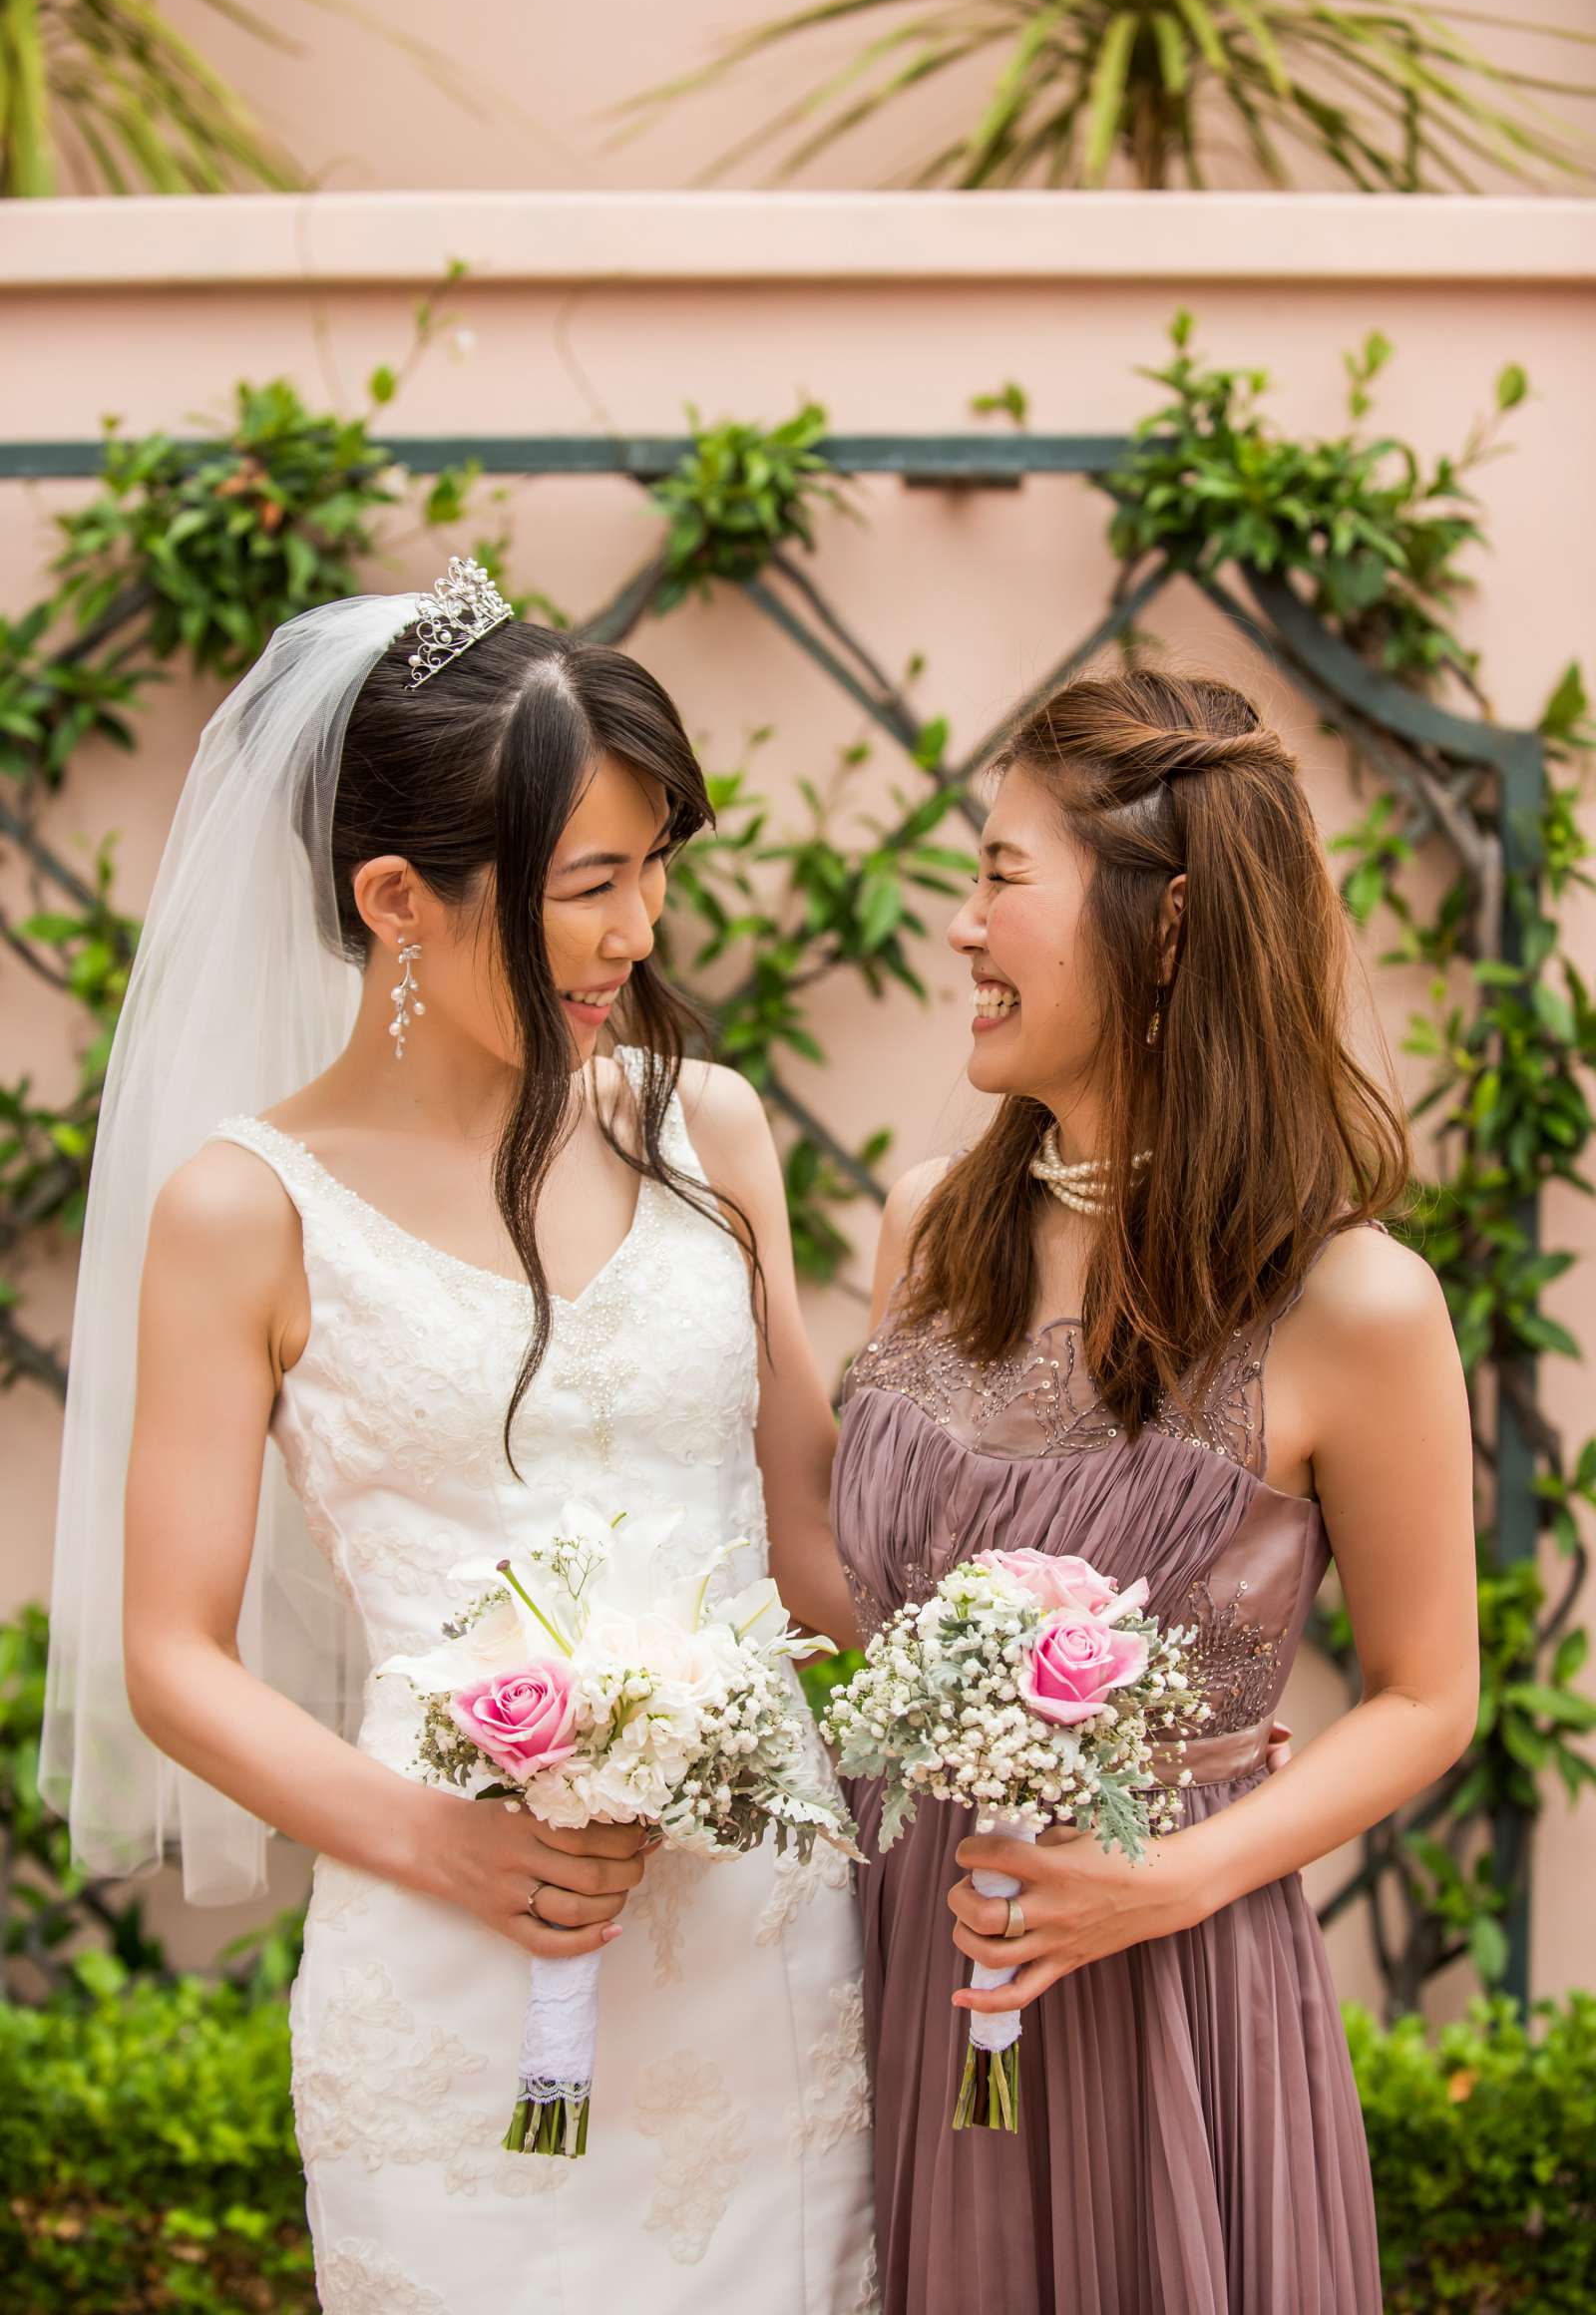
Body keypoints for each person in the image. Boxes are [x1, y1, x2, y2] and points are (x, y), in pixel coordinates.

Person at [42, 562, 874, 2314]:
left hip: (756, 1939)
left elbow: (814, 1540)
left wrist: (1015, 1709)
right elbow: (171, 1654)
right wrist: (446, 1845)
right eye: (589, 884)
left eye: (657, 870)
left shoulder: (707, 1133)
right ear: (398, 898)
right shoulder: (242, 1211)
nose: (640, 930)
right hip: (447, 1951)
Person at [831, 670, 1478, 2315]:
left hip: (1175, 1986)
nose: (964, 930)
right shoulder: (929, 1231)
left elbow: (1426, 1696)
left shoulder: (1356, 1305)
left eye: (1000, 876)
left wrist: (1165, 1882)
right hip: (908, 1947)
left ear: (1168, 924)